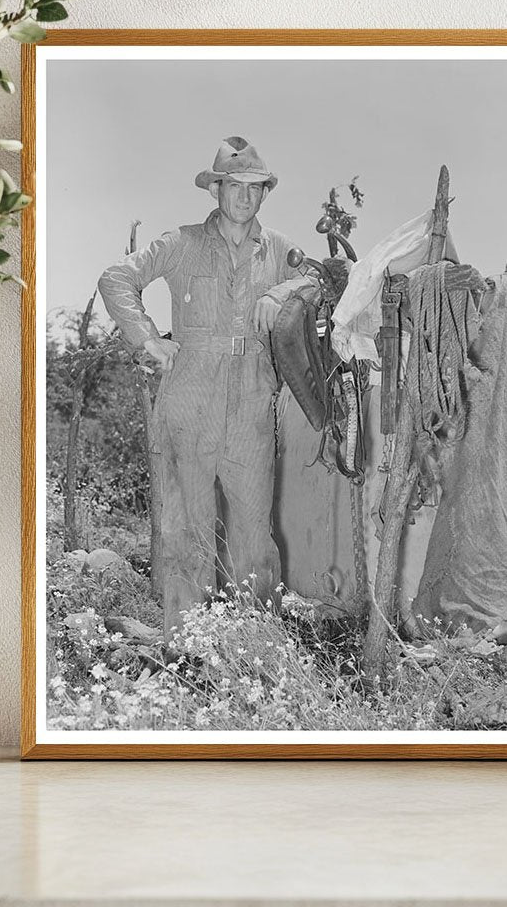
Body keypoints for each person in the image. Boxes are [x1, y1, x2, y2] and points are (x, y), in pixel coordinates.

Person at [98, 136, 316, 640]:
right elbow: (116, 278)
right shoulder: (181, 242)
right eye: (235, 186)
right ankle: (189, 644)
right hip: (190, 396)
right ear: (216, 189)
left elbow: (319, 279)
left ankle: (255, 644)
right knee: (187, 529)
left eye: (255, 188)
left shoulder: (279, 249)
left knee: (253, 531)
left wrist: (284, 291)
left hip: (252, 401)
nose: (245, 196)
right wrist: (147, 338)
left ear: (264, 194)